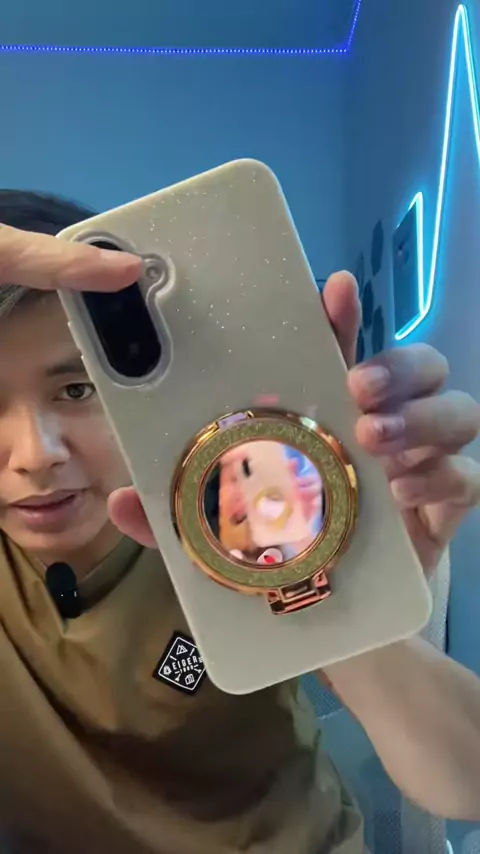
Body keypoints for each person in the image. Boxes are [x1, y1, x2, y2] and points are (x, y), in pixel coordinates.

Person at [0, 191, 479, 854]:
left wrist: (343, 593)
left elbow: (465, 782)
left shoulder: (237, 520)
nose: (35, 455)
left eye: (77, 390)